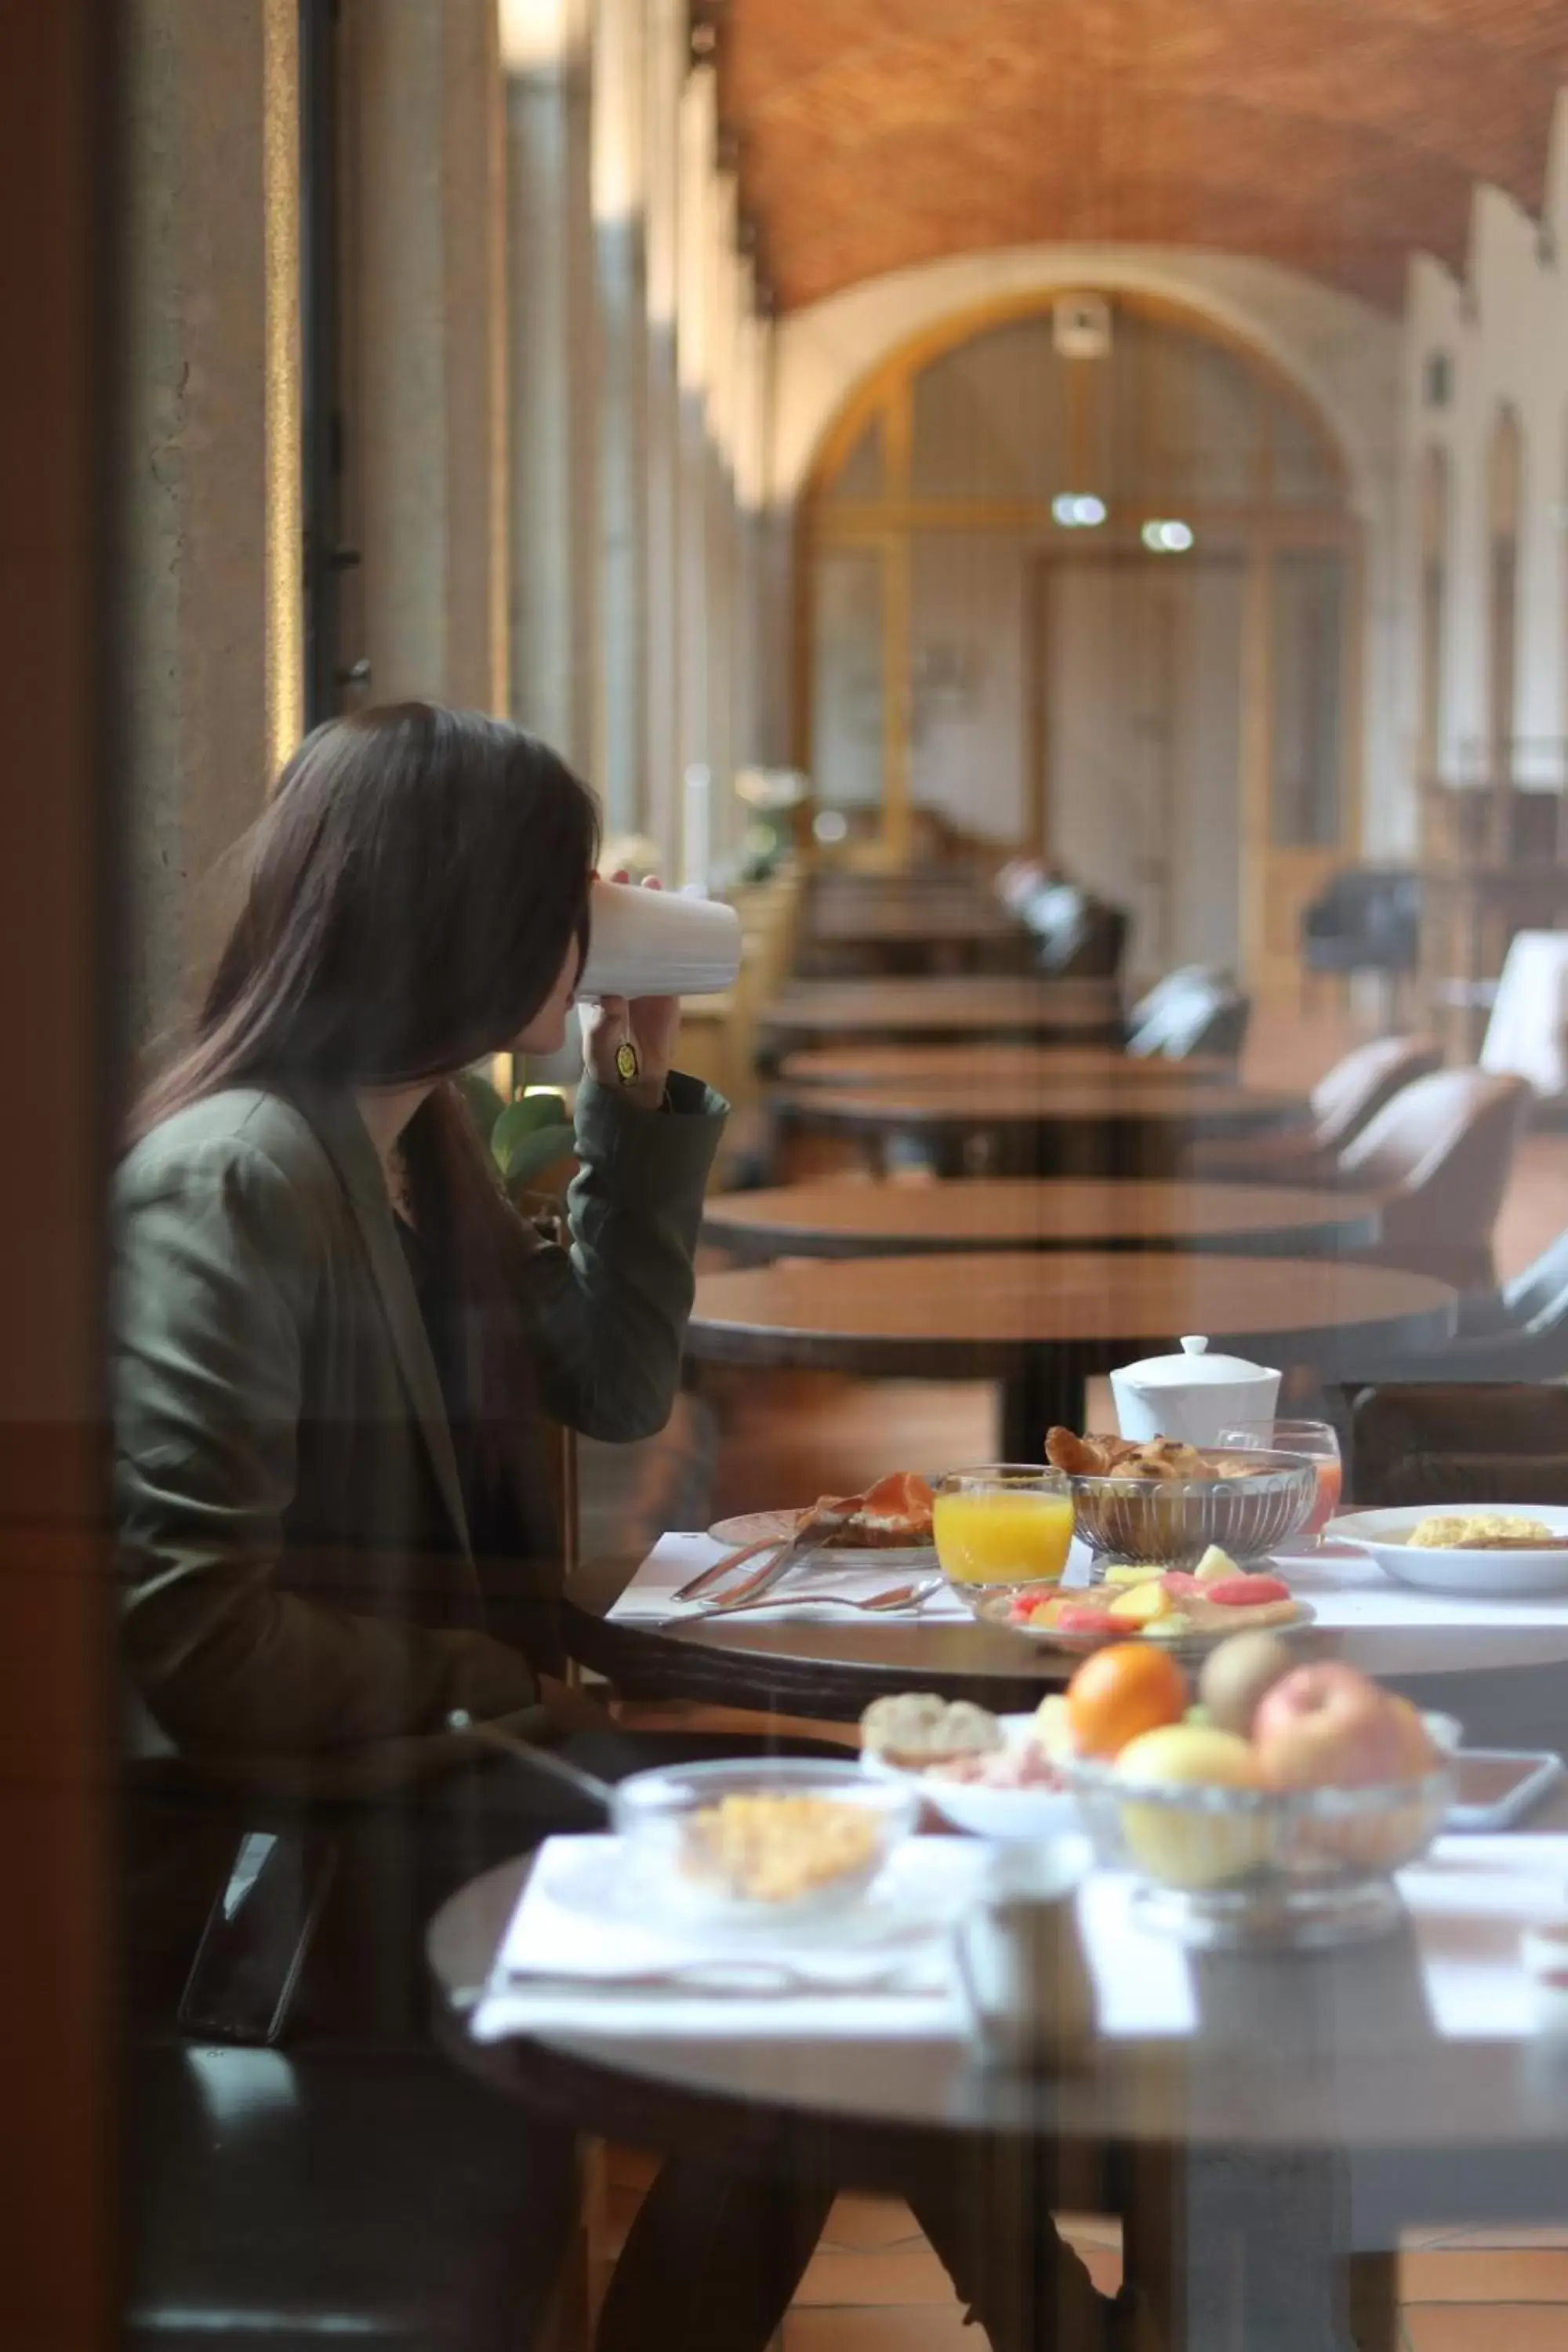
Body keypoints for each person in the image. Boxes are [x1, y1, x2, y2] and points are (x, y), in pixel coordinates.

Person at [115, 701, 1123, 2349]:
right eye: (563, 894)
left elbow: (614, 1381)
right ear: (472, 917)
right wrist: (512, 1696)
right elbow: (195, 1638)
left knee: (850, 1907)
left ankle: (1068, 2328)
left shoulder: (407, 1144)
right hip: (299, 1833)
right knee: (834, 1931)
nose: (589, 921)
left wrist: (630, 1084)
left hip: (423, 1761)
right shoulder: (231, 1177)